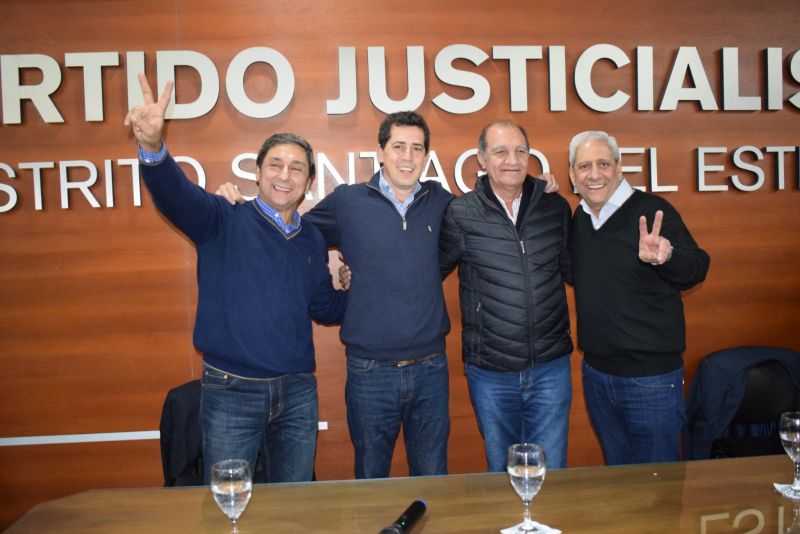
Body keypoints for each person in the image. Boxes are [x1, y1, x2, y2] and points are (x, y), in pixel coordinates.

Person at [125, 73, 346, 483]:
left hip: (297, 392)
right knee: (229, 500)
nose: (285, 175)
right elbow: (175, 196)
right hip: (231, 391)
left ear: (309, 182)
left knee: (296, 505)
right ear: (258, 173)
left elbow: (323, 307)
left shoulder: (312, 239)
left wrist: (353, 287)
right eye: (275, 164)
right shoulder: (223, 218)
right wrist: (153, 147)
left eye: (297, 168)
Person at [568, 130, 710, 465]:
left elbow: (697, 267)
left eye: (603, 164)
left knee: (659, 481)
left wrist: (666, 256)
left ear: (619, 168)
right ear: (572, 176)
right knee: (620, 479)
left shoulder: (652, 212)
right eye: (584, 166)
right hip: (597, 375)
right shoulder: (581, 218)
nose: (594, 174)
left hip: (651, 380)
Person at [438, 120, 573, 471]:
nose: (512, 160)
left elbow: (576, 270)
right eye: (500, 152)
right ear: (482, 159)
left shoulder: (555, 208)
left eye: (520, 151)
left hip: (550, 369)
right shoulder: (461, 213)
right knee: (503, 472)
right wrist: (358, 274)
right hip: (491, 372)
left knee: (551, 472)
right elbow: (427, 272)